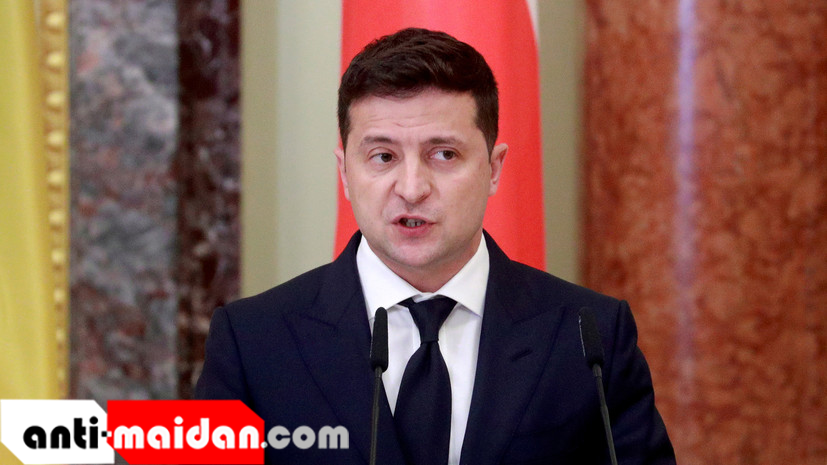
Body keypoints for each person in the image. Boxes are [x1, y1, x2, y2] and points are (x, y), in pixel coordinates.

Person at [196, 27, 676, 465]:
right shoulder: (251, 341)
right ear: (344, 173)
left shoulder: (591, 337)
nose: (411, 188)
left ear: (494, 169)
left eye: (444, 154)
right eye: (383, 156)